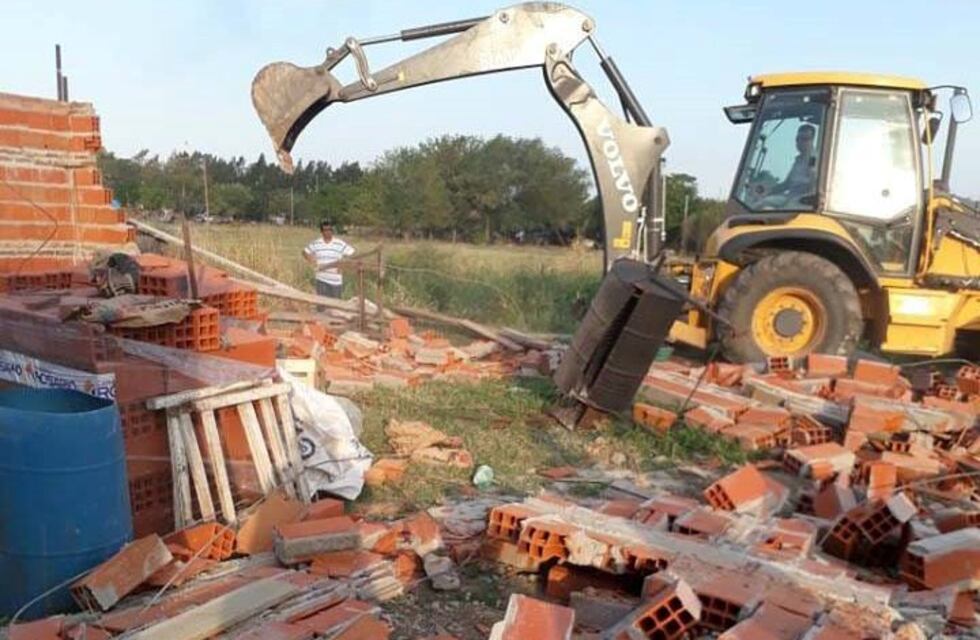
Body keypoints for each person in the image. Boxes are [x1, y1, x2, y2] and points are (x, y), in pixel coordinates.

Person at [303, 220, 355, 300]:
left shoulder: (339, 244)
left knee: (336, 307)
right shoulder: (316, 243)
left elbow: (352, 253)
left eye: (330, 230)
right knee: (321, 306)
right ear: (322, 232)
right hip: (321, 279)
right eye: (325, 230)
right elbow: (305, 252)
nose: (328, 232)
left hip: (336, 281)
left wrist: (343, 265)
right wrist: (312, 261)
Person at [777, 123, 818, 197]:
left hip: (801, 200)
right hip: (790, 197)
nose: (799, 142)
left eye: (804, 139)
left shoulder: (813, 159)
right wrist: (768, 190)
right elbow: (787, 184)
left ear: (812, 141)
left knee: (765, 206)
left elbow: (812, 182)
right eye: (798, 139)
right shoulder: (798, 160)